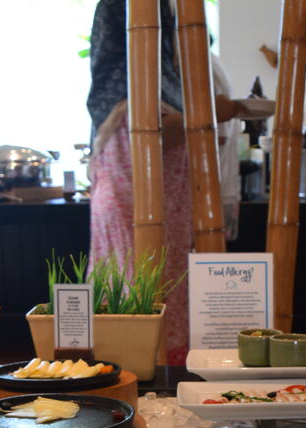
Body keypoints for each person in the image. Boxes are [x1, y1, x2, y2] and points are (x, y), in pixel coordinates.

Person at [86, 0, 241, 364]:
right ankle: (139, 365)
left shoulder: (156, 85)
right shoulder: (132, 90)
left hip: (157, 210)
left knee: (160, 278)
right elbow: (152, 138)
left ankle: (152, 367)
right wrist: (210, 113)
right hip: (135, 207)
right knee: (138, 280)